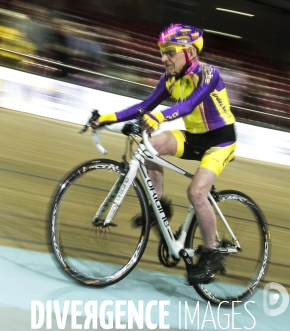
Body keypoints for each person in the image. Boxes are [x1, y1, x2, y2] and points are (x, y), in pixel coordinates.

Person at [92, 24, 236, 285]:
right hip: (192, 137)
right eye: (161, 52)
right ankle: (159, 206)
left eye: (170, 52)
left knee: (196, 192)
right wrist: (105, 118)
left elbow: (189, 105)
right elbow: (143, 106)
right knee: (150, 147)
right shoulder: (168, 79)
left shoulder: (208, 73)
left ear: (190, 52)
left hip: (220, 142)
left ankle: (211, 253)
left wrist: (158, 116)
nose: (163, 58)